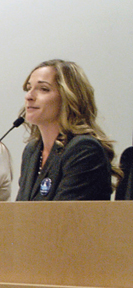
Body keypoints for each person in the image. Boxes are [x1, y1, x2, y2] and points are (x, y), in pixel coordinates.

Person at [17, 59, 120, 201]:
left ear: (68, 97)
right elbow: (21, 209)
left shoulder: (84, 149)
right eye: (29, 88)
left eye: (43, 89)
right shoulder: (32, 150)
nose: (29, 96)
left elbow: (64, 213)